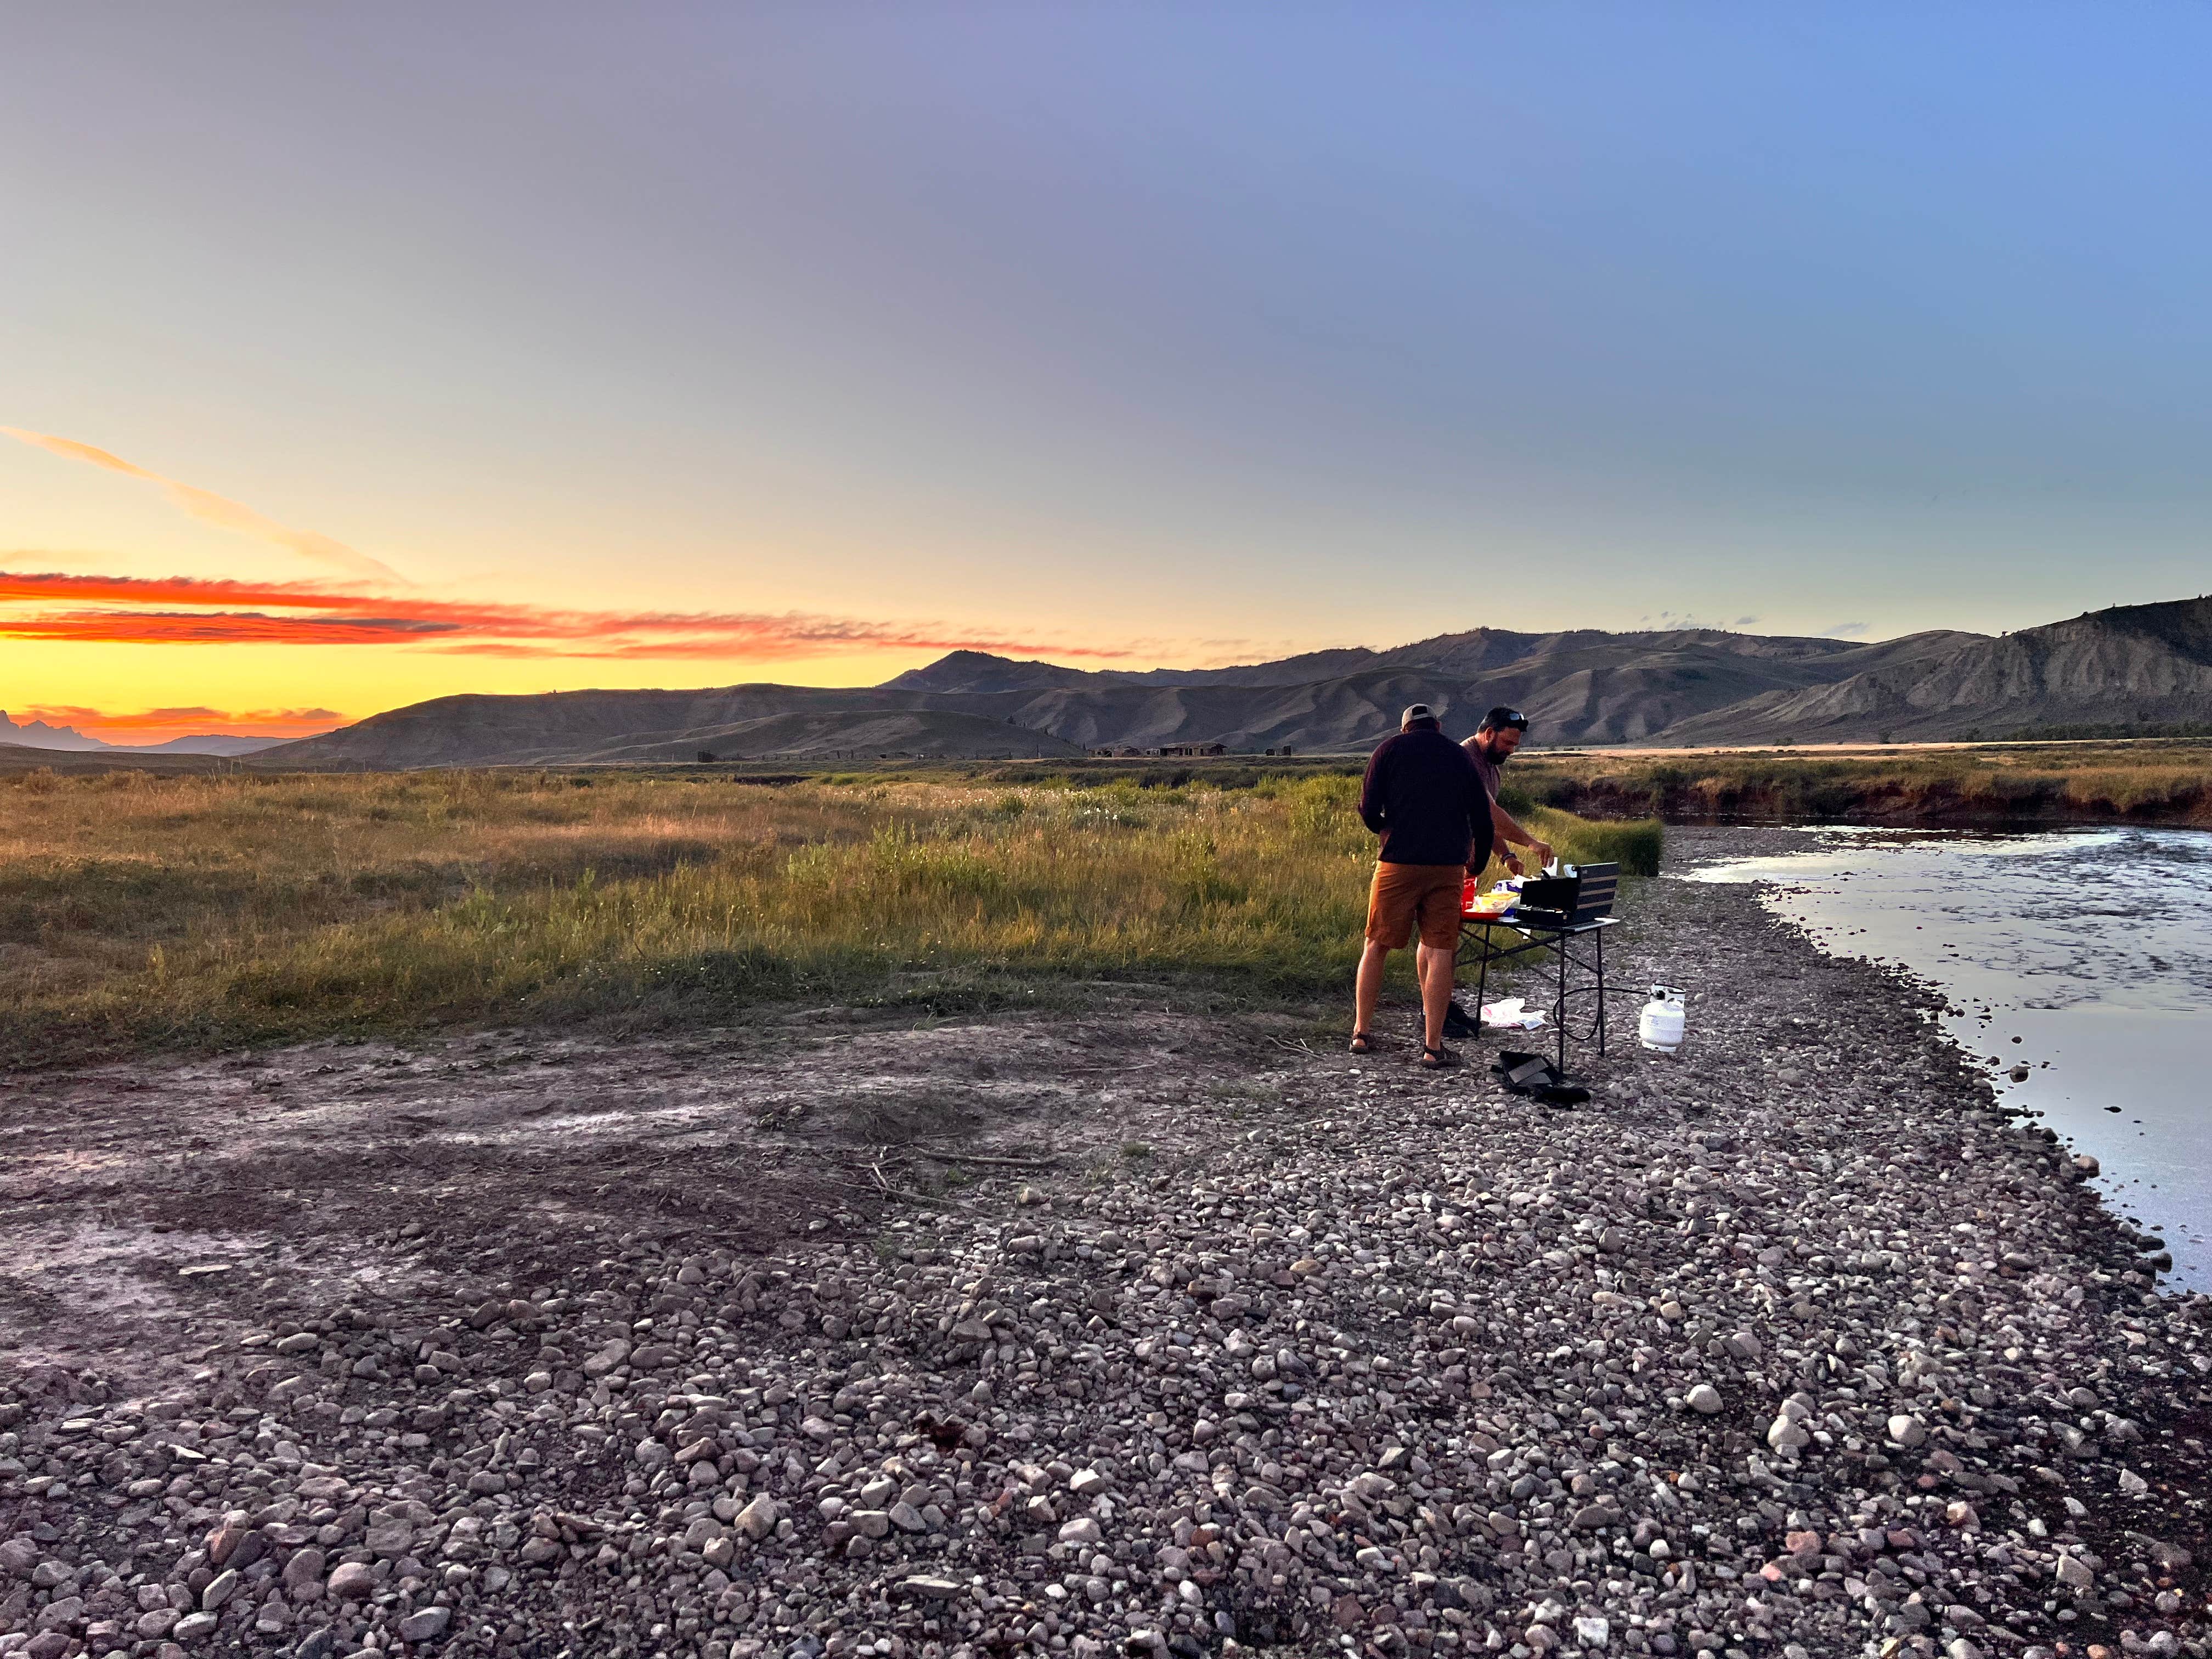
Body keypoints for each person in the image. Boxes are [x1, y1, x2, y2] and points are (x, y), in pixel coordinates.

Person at [1351, 704, 1492, 1068]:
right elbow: (1482, 816)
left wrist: (1386, 830)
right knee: (1440, 950)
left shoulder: (1388, 750)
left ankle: (1361, 1034)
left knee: (1376, 944)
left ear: (1405, 729)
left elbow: (1368, 809)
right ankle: (1432, 1047)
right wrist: (1477, 863)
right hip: (1447, 867)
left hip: (1398, 862)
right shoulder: (1459, 756)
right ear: (1438, 727)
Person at [1437, 706, 1552, 1040]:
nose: (1512, 750)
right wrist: (1531, 843)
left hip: (1464, 861)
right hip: (1443, 860)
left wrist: (1507, 855)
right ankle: (1434, 1012)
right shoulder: (1464, 758)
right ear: (1489, 734)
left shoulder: (1491, 767)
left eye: (1516, 745)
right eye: (1507, 743)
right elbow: (1490, 812)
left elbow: (1484, 823)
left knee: (1450, 935)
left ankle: (1444, 1003)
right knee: (1440, 936)